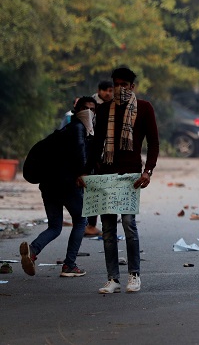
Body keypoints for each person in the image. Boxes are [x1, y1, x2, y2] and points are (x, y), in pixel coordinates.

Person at [90, 66, 159, 294]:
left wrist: (148, 171)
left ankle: (134, 275)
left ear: (132, 86)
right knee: (108, 229)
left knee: (129, 225)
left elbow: (153, 143)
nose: (119, 89)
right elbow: (96, 144)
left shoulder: (145, 109)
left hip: (130, 176)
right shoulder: (103, 111)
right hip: (106, 176)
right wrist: (86, 172)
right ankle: (112, 278)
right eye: (115, 84)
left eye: (123, 84)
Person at [20, 96, 96, 279]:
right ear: (77, 111)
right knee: (80, 221)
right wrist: (82, 173)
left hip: (48, 185)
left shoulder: (64, 131)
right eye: (85, 109)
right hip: (67, 185)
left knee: (55, 226)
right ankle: (69, 265)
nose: (89, 113)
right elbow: (79, 153)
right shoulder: (78, 129)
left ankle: (32, 250)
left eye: (92, 109)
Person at [85, 80, 113, 237]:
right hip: (94, 153)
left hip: (107, 154)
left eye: (110, 90)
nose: (108, 93)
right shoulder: (92, 105)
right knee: (94, 189)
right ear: (99, 91)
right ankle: (91, 225)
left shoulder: (115, 106)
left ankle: (97, 224)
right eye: (105, 90)